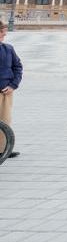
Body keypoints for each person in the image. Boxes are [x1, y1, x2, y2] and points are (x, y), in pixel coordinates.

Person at [0, 20, 24, 159]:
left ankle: (3, 149)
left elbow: (18, 67)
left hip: (6, 92)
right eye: (2, 32)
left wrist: (13, 85)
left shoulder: (8, 49)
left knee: (5, 120)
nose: (5, 35)